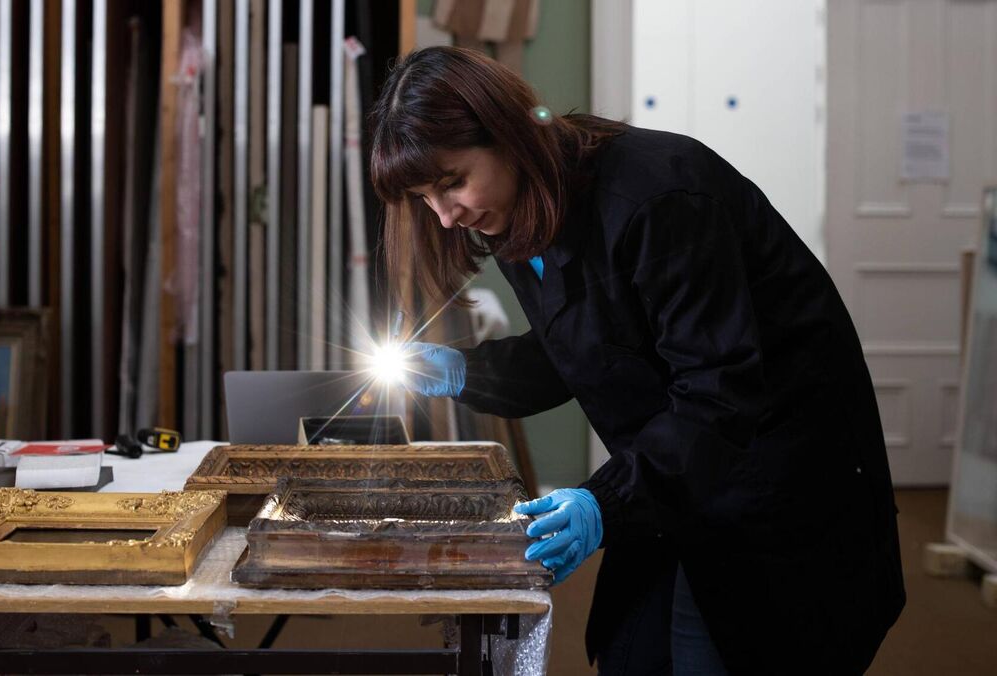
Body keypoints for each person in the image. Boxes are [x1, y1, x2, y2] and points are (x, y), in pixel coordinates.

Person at [368, 46, 905, 675]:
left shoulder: (658, 195)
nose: (446, 215)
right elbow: (582, 346)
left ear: (507, 132)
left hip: (776, 481)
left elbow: (718, 395)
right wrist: (465, 371)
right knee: (633, 654)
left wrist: (605, 502)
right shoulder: (518, 214)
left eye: (453, 182)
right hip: (679, 475)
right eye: (427, 198)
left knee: (737, 650)